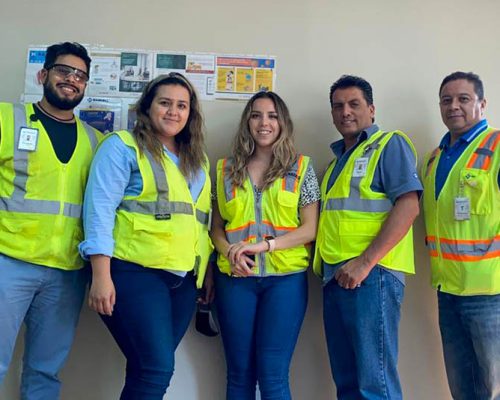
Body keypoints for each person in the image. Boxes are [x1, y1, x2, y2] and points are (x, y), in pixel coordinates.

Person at [80, 72, 213, 399]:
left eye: (182, 105)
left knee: (147, 367)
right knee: (156, 368)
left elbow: (199, 224)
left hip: (183, 279)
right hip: (133, 272)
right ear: (148, 107)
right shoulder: (122, 147)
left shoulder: (197, 161)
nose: (173, 111)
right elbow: (99, 210)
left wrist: (206, 273)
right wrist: (101, 274)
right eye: (165, 103)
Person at [0, 42, 101, 399]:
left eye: (80, 76)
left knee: (45, 371)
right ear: (43, 75)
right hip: (9, 263)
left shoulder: (95, 141)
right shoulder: (6, 119)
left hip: (65, 273)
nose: (71, 80)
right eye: (63, 71)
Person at [313, 75, 422, 399]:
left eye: (354, 104)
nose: (345, 111)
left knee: (374, 383)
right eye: (338, 106)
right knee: (347, 382)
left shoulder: (389, 145)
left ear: (371, 110)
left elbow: (409, 206)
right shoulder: (334, 166)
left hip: (372, 277)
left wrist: (364, 263)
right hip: (336, 277)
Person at [211, 91, 320, 400]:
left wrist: (266, 246)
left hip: (284, 282)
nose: (264, 122)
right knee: (239, 374)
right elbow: (216, 229)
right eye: (256, 115)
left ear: (282, 122)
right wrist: (228, 251)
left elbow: (310, 229)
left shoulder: (301, 168)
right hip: (235, 281)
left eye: (272, 116)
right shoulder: (224, 170)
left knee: (273, 375)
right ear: (247, 121)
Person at [421, 71, 499, 400]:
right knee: (462, 389)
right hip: (447, 291)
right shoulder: (432, 159)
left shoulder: (496, 146)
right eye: (446, 100)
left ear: (481, 104)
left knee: (493, 388)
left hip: (490, 293)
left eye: (463, 99)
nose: (454, 106)